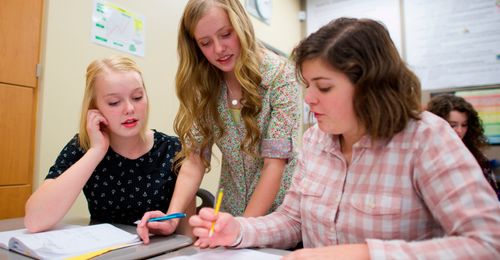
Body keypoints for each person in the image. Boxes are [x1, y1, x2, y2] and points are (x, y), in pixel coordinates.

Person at [189, 18, 500, 259]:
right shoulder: (315, 141)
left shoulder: (426, 138)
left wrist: (364, 253)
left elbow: (489, 243)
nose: (308, 98)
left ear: (370, 86)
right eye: (307, 85)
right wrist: (239, 229)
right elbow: (292, 220)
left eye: (323, 87)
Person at [138, 0, 300, 239]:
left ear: (241, 26)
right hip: (229, 213)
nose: (218, 49)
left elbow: (274, 165)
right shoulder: (205, 86)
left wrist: (241, 231)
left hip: (279, 217)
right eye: (205, 43)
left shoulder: (279, 76)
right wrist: (171, 218)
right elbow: (195, 161)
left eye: (225, 35)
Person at [24, 56, 194, 237]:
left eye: (137, 97)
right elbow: (35, 220)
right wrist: (96, 151)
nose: (129, 108)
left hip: (158, 251)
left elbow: (187, 235)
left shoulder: (173, 149)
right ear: (94, 107)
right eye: (114, 102)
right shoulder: (83, 146)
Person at [427, 94, 500, 199]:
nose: (460, 131)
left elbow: (492, 195)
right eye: (452, 125)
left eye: (464, 125)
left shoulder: (477, 156)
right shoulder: (427, 155)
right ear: (436, 124)